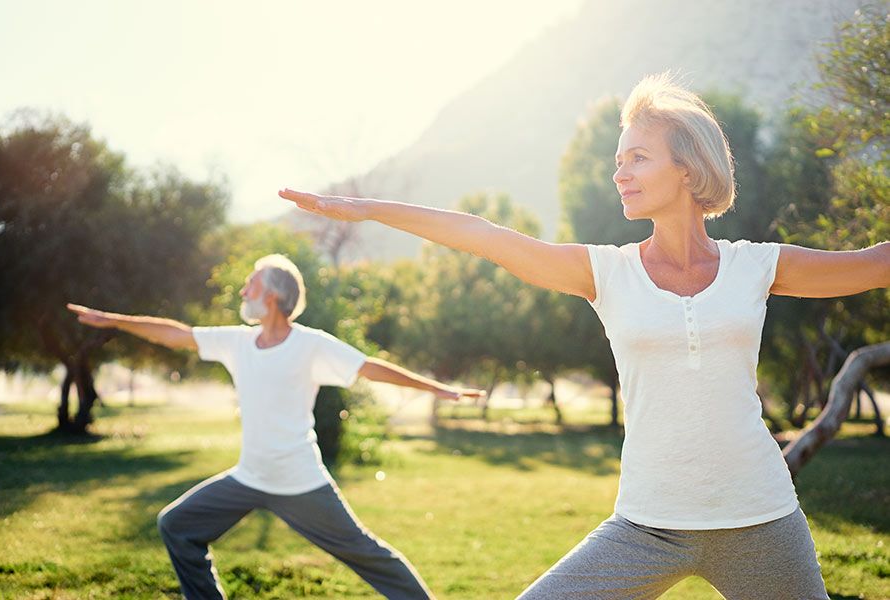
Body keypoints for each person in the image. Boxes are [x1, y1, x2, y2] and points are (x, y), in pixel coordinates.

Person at [278, 73, 889, 599]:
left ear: (687, 166)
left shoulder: (756, 265)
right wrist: (369, 208)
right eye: (617, 159)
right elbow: (485, 236)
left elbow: (874, 263)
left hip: (761, 517)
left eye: (638, 157)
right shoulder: (607, 273)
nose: (619, 172)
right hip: (648, 525)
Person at [68, 253, 483, 600]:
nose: (243, 291)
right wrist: (113, 320)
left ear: (272, 296)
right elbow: (177, 335)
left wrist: (439, 389)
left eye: (251, 284)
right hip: (249, 476)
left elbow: (369, 368)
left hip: (299, 481)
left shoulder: (310, 344)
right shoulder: (238, 341)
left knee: (367, 554)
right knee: (176, 525)